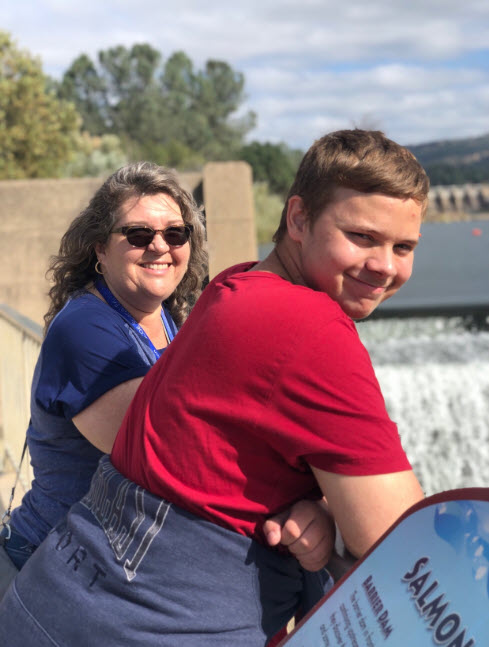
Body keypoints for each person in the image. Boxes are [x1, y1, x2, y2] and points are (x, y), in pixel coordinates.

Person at [0, 129, 428, 646]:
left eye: (403, 247)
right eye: (361, 237)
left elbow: (208, 457)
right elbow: (406, 549)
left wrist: (320, 507)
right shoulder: (308, 328)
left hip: (59, 595)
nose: (384, 265)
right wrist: (330, 510)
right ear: (297, 219)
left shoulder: (230, 290)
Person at [0, 162, 333, 592]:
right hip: (48, 569)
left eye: (176, 234)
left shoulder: (171, 320)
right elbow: (174, 456)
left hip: (107, 570)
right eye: (138, 235)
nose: (160, 246)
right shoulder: (84, 329)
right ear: (100, 248)